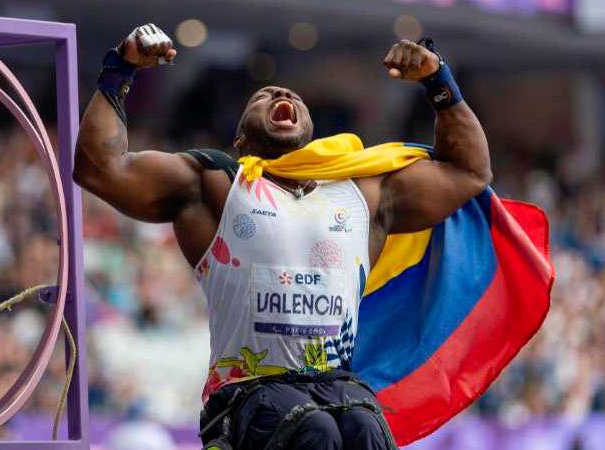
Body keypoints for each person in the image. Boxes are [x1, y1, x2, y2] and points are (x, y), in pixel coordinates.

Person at [75, 23, 492, 450]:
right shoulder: (217, 184)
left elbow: (468, 173)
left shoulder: (360, 195)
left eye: (293, 97)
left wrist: (439, 82)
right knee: (314, 429)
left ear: (310, 129)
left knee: (361, 424)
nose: (282, 96)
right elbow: (101, 169)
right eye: (264, 96)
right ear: (240, 138)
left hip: (335, 391)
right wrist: (120, 69)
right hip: (249, 398)